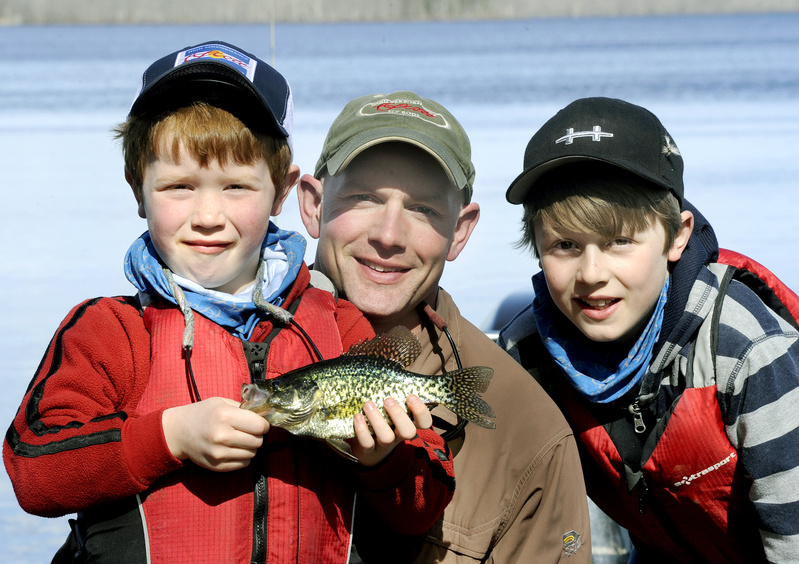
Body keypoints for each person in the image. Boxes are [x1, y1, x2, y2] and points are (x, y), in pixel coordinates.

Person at [3, 42, 455, 563]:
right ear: (137, 188)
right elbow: (33, 472)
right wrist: (168, 436)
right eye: (179, 186)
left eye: (237, 186)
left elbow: (422, 505)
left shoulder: (337, 323)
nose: (208, 215)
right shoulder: (110, 331)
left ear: (282, 191)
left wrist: (384, 460)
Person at [498, 96, 799, 563]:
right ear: (535, 246)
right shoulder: (526, 358)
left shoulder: (746, 351)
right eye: (565, 245)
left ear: (677, 236)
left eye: (620, 241)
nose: (592, 272)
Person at [297, 90, 592, 563]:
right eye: (364, 197)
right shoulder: (228, 349)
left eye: (423, 210)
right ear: (312, 204)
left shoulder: (527, 427)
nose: (388, 236)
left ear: (461, 231)